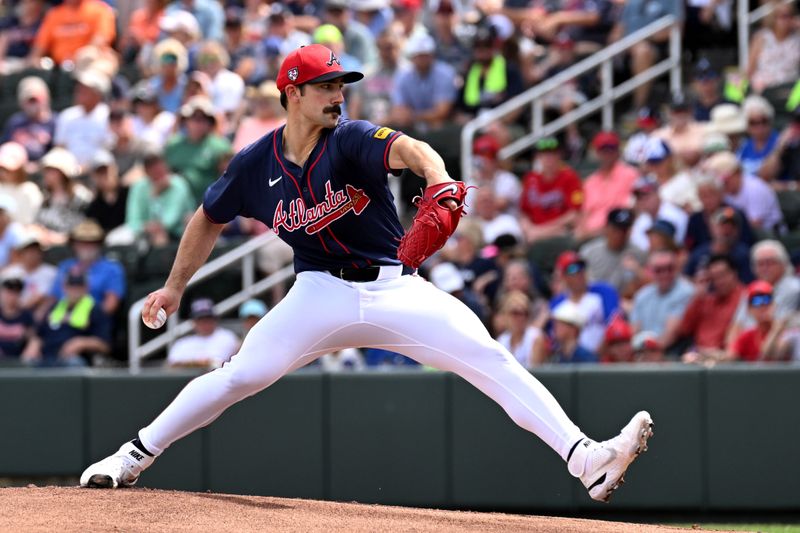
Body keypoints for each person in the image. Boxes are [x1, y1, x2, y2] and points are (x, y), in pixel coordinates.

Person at [80, 44, 653, 502]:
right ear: (292, 93)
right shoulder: (257, 162)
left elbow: (415, 149)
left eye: (340, 85)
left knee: (489, 358)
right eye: (325, 86)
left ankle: (586, 461)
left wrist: (437, 180)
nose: (337, 96)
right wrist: (175, 286)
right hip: (317, 294)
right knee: (239, 375)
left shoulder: (351, 139)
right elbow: (208, 217)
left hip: (393, 286)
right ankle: (132, 455)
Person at [24, 269, 111, 367]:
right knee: (27, 362)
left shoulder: (95, 310)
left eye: (79, 286)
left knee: (74, 363)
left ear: (86, 288)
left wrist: (82, 342)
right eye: (71, 286)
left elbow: (104, 345)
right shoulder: (55, 307)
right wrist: (33, 345)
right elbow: (39, 334)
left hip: (75, 360)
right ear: (64, 287)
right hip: (47, 358)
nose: (74, 290)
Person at [47, 220, 126, 317]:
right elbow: (52, 299)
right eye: (82, 242)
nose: (87, 247)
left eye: (92, 242)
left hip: (93, 321)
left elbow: (110, 306)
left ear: (100, 244)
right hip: (61, 319)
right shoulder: (65, 266)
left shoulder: (112, 269)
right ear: (74, 244)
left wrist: (85, 315)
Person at [165, 96, 232, 203]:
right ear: (185, 121)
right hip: (176, 203)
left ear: (210, 123)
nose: (198, 123)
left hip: (207, 204)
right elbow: (163, 174)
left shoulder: (220, 147)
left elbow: (228, 180)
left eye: (203, 119)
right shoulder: (173, 145)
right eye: (193, 118)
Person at [678, 254, 744, 362]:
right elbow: (684, 329)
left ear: (734, 274)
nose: (719, 281)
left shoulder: (745, 298)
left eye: (722, 275)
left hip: (727, 359)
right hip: (698, 357)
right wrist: (697, 297)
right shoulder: (705, 300)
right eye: (714, 278)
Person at [576, 132, 640, 241]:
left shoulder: (631, 175)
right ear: (596, 153)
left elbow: (634, 209)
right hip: (589, 237)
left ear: (617, 151)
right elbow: (584, 215)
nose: (607, 154)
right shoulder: (590, 182)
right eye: (603, 150)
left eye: (611, 149)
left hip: (618, 234)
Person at [519, 137, 583, 243]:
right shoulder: (530, 179)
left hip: (560, 234)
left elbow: (575, 214)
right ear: (537, 157)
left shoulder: (570, 177)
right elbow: (524, 213)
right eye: (544, 153)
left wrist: (543, 231)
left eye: (552, 153)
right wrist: (529, 229)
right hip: (535, 235)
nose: (548, 157)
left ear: (559, 155)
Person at [703, 151, 784, 234]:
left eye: (726, 180)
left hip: (768, 235)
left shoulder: (755, 188)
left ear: (737, 173)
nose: (723, 184)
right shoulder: (725, 191)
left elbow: (755, 224)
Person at [630, 248, 695, 349]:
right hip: (643, 351)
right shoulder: (642, 295)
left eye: (669, 268)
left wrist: (648, 355)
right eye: (659, 270)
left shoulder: (686, 292)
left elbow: (671, 335)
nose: (665, 274)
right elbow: (634, 331)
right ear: (651, 271)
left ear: (677, 268)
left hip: (672, 352)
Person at [28, 0, 116, 66]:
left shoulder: (99, 10)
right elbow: (39, 47)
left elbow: (100, 40)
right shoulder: (54, 14)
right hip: (57, 67)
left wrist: (79, 57)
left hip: (88, 63)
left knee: (90, 58)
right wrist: (35, 60)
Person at [53, 69, 111, 169]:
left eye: (85, 89)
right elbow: (60, 148)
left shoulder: (108, 116)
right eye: (79, 88)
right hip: (68, 172)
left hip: (98, 171)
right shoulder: (67, 115)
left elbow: (109, 149)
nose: (79, 91)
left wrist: (87, 167)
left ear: (97, 94)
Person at [579, 208, 646, 294]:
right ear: (607, 228)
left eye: (624, 230)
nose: (620, 235)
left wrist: (637, 269)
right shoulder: (589, 251)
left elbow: (650, 284)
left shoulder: (638, 253)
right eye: (616, 230)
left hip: (624, 301)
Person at [166, 298, 239, 368]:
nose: (205, 322)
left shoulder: (227, 337)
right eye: (200, 319)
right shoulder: (183, 343)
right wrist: (201, 363)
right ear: (194, 322)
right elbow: (172, 364)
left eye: (208, 318)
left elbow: (218, 362)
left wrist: (190, 363)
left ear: (214, 319)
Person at [746, 0, 800, 95]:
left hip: (789, 89)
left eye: (790, 16)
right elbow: (750, 69)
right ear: (773, 18)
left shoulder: (797, 39)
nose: (786, 20)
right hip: (764, 88)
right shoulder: (761, 37)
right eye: (782, 16)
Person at [729, 280, 788, 362]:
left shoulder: (785, 330)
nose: (762, 306)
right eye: (756, 301)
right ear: (749, 309)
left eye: (767, 300)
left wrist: (776, 330)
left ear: (774, 304)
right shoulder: (748, 335)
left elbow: (770, 354)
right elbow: (729, 356)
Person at [0, 76, 55, 162]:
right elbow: (5, 147)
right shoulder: (15, 122)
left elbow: (58, 151)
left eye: (35, 100)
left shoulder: (55, 122)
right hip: (18, 169)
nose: (33, 105)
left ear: (46, 98)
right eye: (29, 101)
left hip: (45, 169)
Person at [85, 151, 128, 234]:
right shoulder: (94, 206)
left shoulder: (129, 194)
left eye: (107, 171)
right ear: (94, 176)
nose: (105, 176)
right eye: (100, 173)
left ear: (115, 169)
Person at [0, 271, 35, 360]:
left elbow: (33, 338)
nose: (11, 296)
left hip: (18, 360)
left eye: (15, 292)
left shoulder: (27, 315)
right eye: (8, 292)